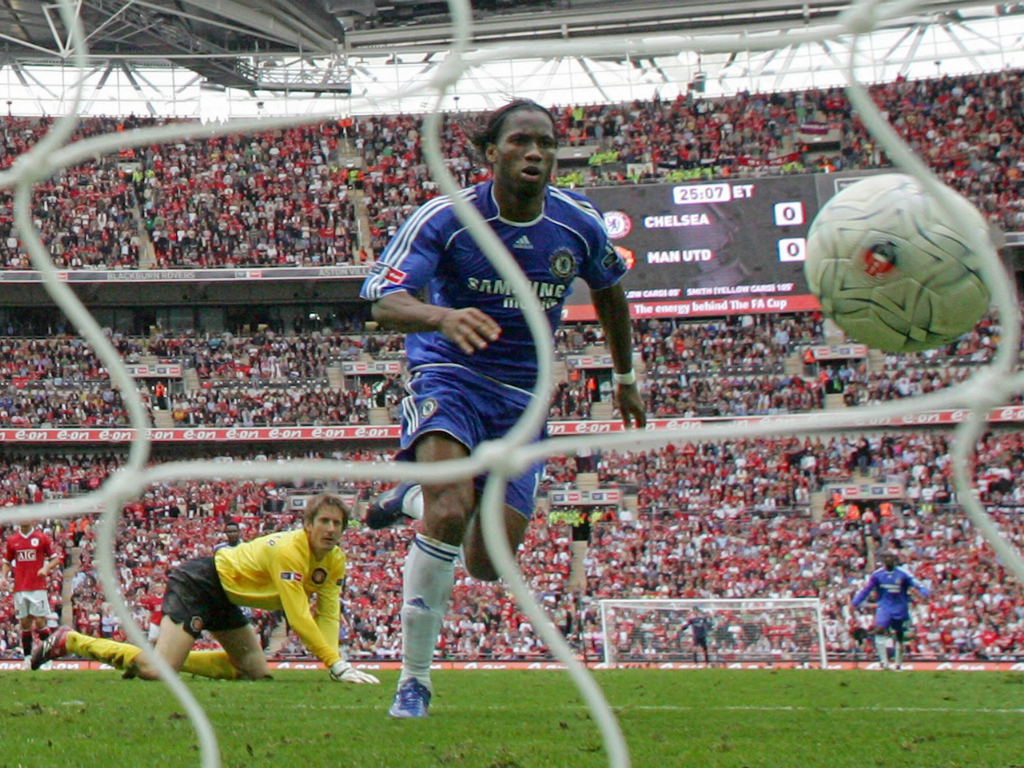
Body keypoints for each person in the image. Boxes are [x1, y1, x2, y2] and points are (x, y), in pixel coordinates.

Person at [360, 99, 646, 718]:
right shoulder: (448, 217)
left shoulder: (578, 225)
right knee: (450, 509)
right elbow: (383, 299)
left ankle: (405, 500)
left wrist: (624, 374)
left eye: (545, 143)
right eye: (520, 141)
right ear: (492, 152)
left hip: (523, 399)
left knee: (488, 562)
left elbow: (611, 294)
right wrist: (442, 314)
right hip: (449, 373)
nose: (535, 153)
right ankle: (414, 681)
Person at [32, 493, 379, 684]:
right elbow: (299, 614)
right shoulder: (290, 550)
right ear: (307, 524)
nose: (331, 529)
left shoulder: (335, 560)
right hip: (202, 582)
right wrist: (334, 663)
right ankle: (71, 640)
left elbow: (329, 610)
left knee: (255, 673)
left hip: (227, 594)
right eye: (324, 521)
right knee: (157, 672)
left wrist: (337, 665)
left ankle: (165, 657)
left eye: (338, 523)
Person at [851, 549, 930, 669]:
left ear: (894, 560)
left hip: (900, 608)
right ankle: (884, 662)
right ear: (882, 561)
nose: (888, 561)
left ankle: (898, 663)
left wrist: (924, 592)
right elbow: (866, 589)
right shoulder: (877, 575)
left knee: (899, 635)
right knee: (880, 629)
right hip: (884, 607)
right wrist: (855, 602)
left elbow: (916, 583)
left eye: (890, 558)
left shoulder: (903, 573)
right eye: (885, 558)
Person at [1, 521, 62, 666]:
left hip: (37, 587)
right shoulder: (12, 541)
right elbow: (7, 561)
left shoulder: (41, 538)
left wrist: (46, 568)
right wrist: (3, 577)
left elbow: (56, 558)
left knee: (40, 621)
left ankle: (47, 658)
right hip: (20, 588)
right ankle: (27, 658)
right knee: (25, 623)